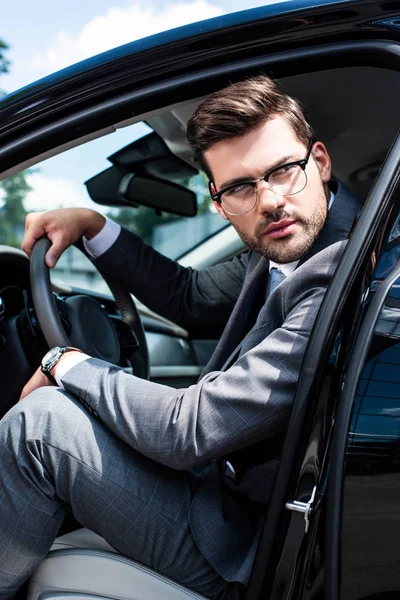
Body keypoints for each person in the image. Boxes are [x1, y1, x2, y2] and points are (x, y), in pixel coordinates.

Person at [0, 75, 361, 599]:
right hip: (226, 498)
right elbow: (189, 298)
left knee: (40, 428)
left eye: (284, 171)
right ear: (218, 202)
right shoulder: (289, 245)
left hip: (254, 549)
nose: (269, 201)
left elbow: (189, 429)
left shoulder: (340, 271)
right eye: (240, 187)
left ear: (320, 163)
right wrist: (92, 224)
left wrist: (67, 363)